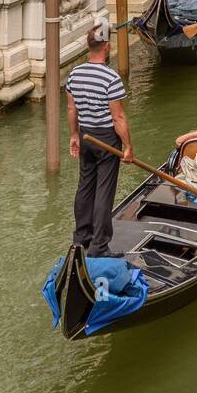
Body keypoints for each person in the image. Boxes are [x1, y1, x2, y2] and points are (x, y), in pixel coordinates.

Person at [66, 24, 133, 257]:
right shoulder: (111, 78)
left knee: (85, 186)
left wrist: (74, 135)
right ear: (107, 46)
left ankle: (81, 239)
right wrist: (128, 147)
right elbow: (118, 117)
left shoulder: (74, 74)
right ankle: (99, 247)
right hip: (106, 138)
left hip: (86, 135)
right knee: (104, 191)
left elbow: (71, 109)